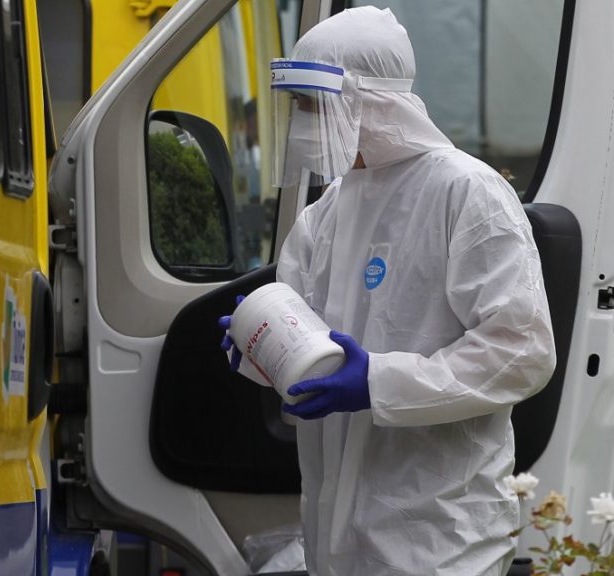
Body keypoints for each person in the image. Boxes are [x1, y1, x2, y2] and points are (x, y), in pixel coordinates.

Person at [220, 7, 556, 575]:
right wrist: (259, 346)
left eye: (312, 105)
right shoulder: (327, 211)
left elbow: (521, 352)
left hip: (442, 538)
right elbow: (307, 345)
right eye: (296, 107)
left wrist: (378, 382)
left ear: (371, 100)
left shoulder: (466, 193)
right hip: (335, 534)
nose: (302, 125)